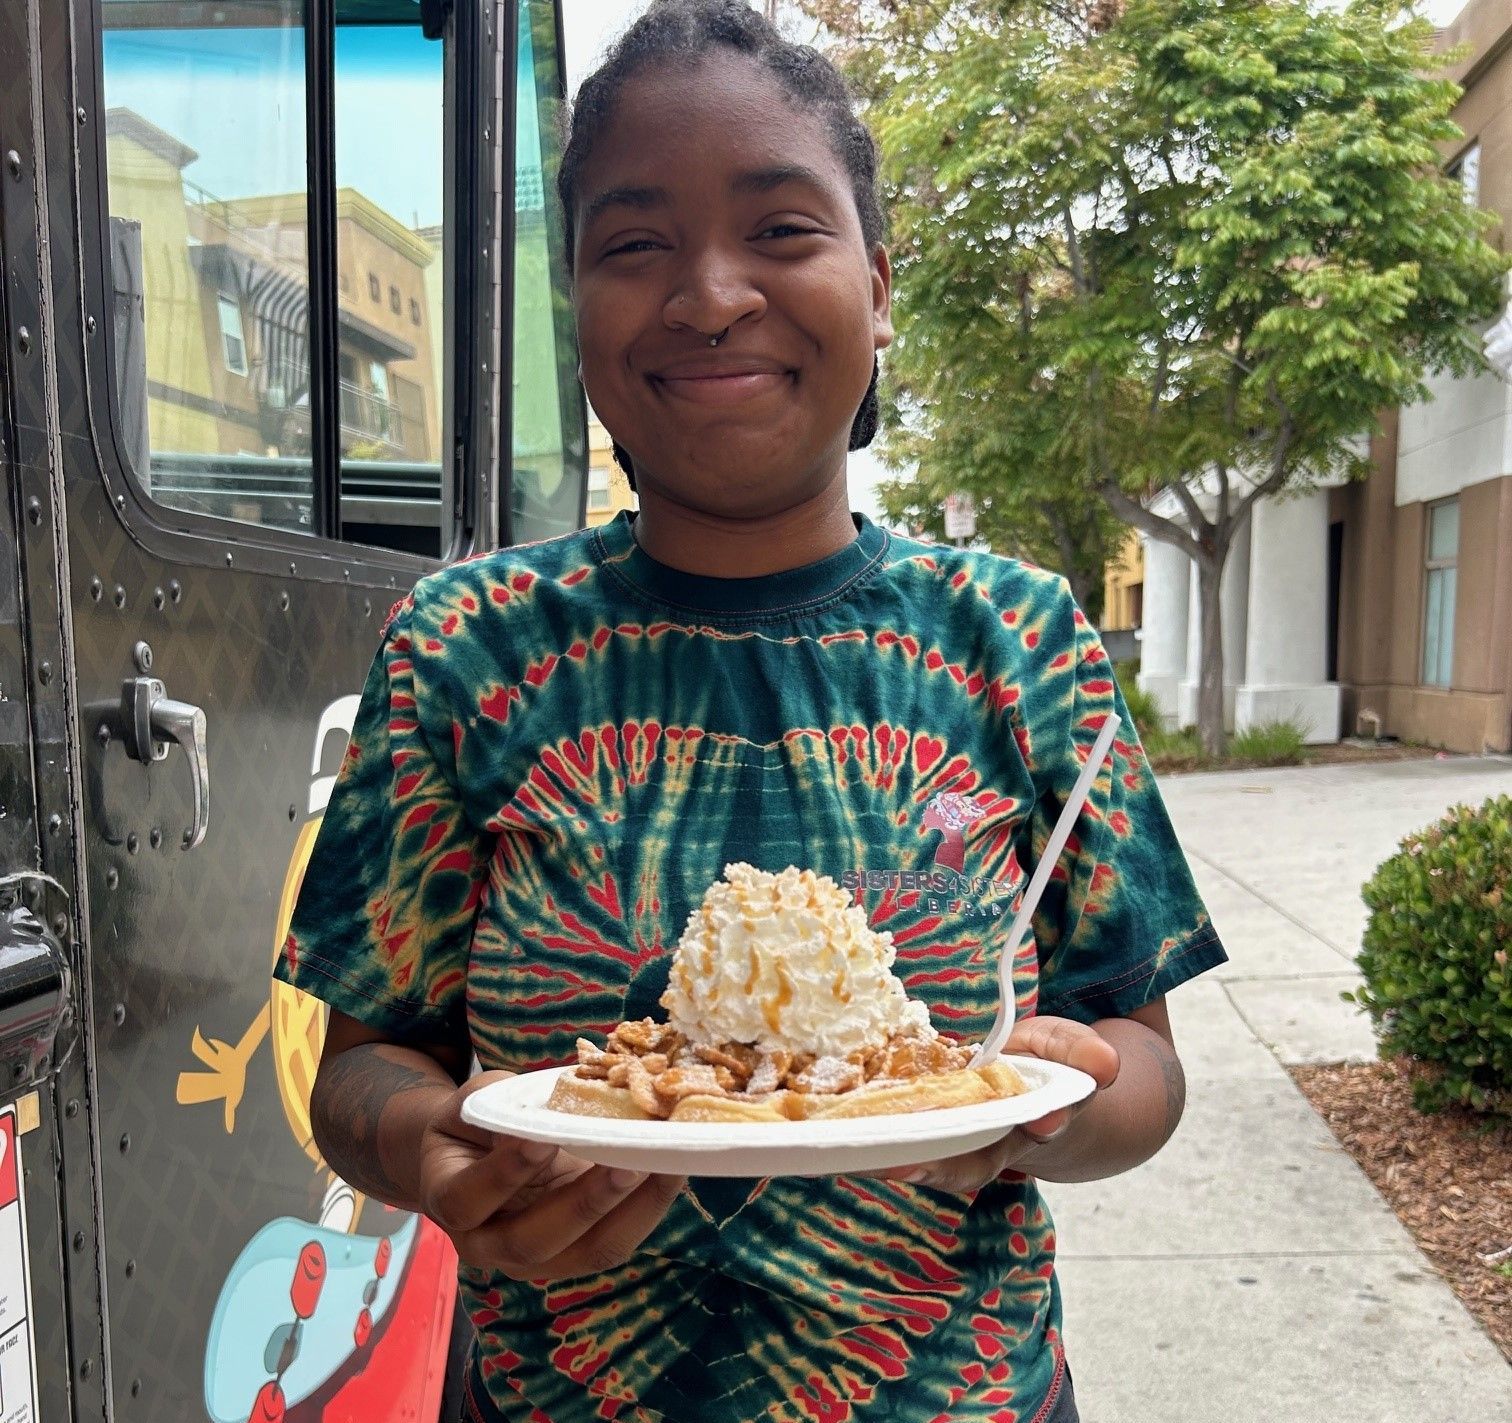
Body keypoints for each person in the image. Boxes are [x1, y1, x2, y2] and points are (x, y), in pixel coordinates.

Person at [276, 3, 1227, 1420]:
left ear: (881, 285)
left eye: (782, 231)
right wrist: (430, 1149)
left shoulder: (1017, 634)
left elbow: (1143, 1064)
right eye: (635, 245)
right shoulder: (464, 647)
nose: (711, 294)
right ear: (579, 306)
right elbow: (361, 1074)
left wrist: (1059, 1108)